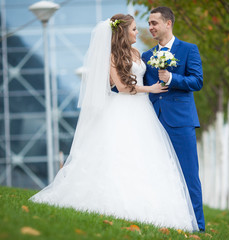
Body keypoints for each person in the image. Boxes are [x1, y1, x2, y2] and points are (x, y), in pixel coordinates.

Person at [29, 14, 199, 232]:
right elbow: (121, 88)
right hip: (122, 108)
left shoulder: (138, 53)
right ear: (123, 32)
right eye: (135, 29)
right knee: (120, 154)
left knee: (145, 157)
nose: (139, 32)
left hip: (142, 111)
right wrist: (151, 89)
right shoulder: (111, 56)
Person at [142, 6, 205, 231]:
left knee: (189, 174)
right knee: (159, 173)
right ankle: (164, 221)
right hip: (154, 123)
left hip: (181, 121)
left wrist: (172, 78)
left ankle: (197, 225)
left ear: (168, 23)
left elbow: (197, 81)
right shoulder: (146, 56)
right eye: (149, 24)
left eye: (154, 23)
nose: (150, 27)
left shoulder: (189, 50)